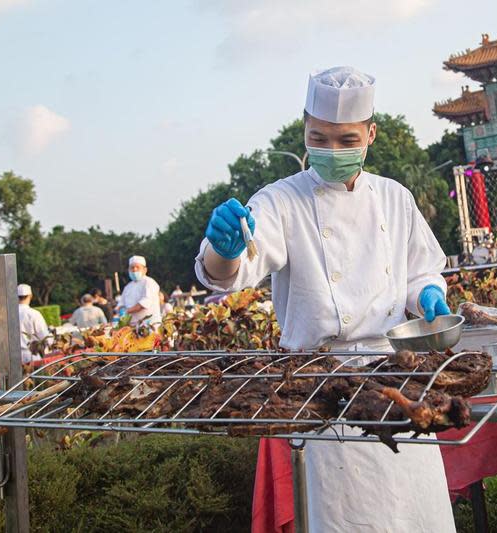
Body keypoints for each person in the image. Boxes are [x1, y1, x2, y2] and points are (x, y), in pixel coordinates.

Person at [195, 66, 454, 531]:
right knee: (345, 517)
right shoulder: (280, 201)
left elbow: (420, 271)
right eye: (320, 138)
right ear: (305, 130)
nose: (332, 151)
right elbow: (227, 275)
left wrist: (430, 295)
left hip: (396, 377)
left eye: (346, 140)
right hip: (321, 389)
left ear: (371, 134)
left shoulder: (396, 198)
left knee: (418, 514)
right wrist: (223, 249)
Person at [119, 256, 162, 325]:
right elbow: (121, 304)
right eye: (132, 267)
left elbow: (143, 304)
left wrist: (127, 311)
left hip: (149, 325)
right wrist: (121, 310)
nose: (134, 269)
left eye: (137, 267)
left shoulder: (149, 282)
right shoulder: (127, 287)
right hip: (132, 326)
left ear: (145, 270)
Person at [17, 284, 50, 364]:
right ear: (30, 296)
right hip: (32, 356)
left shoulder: (9, 315)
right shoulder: (34, 314)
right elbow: (45, 337)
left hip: (14, 357)